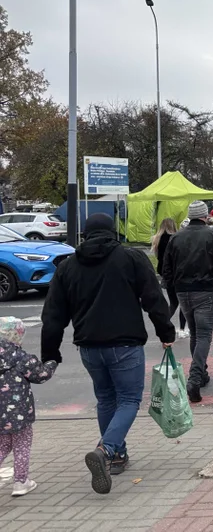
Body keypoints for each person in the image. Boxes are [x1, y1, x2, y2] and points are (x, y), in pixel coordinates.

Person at [42, 213, 175, 493]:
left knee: (105, 399)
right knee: (128, 399)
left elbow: (53, 314)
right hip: (125, 344)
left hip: (89, 346)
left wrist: (50, 352)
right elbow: (153, 298)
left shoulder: (68, 267)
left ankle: (117, 456)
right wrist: (166, 333)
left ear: (85, 235)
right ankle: (106, 451)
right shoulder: (131, 259)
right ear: (113, 232)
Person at [162, 200, 213, 404]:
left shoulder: (176, 238)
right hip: (205, 290)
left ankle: (201, 373)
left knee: (195, 333)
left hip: (183, 291)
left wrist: (172, 285)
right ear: (204, 216)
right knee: (203, 335)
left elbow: (166, 266)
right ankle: (195, 377)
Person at [0, 317, 57, 497]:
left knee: (2, 446)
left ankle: (21, 481)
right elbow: (41, 375)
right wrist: (52, 363)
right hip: (19, 414)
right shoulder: (21, 357)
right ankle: (21, 481)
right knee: (22, 444)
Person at [153, 217, 187, 339]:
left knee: (173, 302)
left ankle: (164, 323)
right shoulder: (175, 239)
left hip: (165, 274)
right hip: (177, 273)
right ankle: (182, 328)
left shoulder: (157, 239)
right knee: (183, 301)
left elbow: (158, 258)